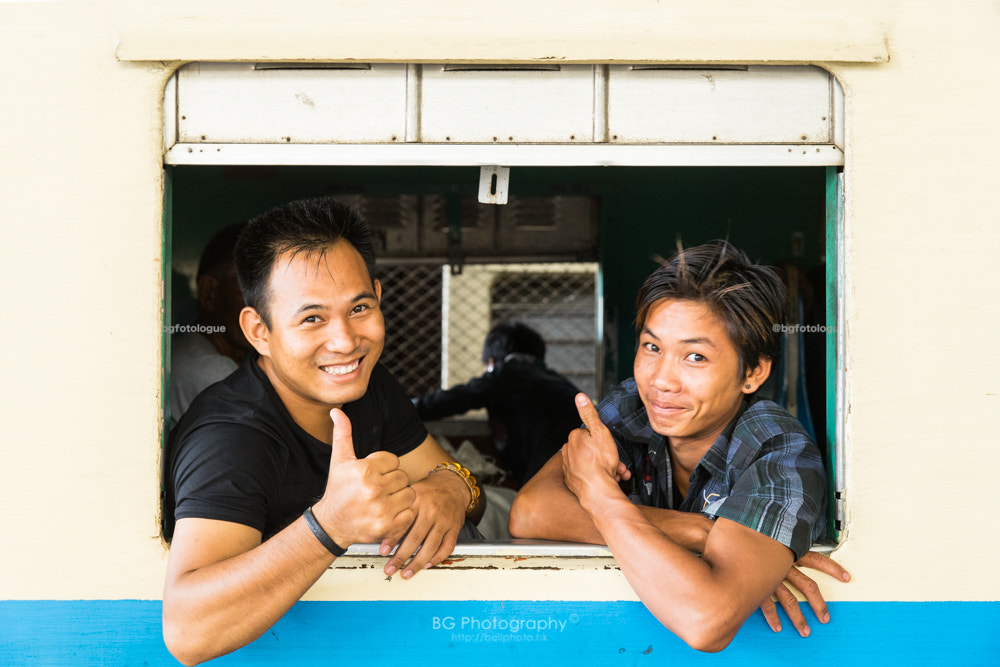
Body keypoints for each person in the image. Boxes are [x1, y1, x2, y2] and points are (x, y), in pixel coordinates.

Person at [162, 197, 485, 666]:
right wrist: (331, 524)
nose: (346, 341)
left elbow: (454, 481)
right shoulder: (230, 437)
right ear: (259, 331)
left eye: (359, 308)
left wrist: (454, 486)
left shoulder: (369, 388)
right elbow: (188, 633)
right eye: (312, 318)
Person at [509, 240, 850, 652]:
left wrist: (596, 495)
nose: (661, 380)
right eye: (652, 347)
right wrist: (701, 533)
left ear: (753, 373)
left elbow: (705, 620)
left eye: (695, 358)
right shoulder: (633, 405)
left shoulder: (781, 451)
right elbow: (530, 512)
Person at [414, 321, 582, 487]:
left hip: (544, 466)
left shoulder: (505, 373)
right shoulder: (558, 381)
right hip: (581, 460)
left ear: (491, 362)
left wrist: (403, 408)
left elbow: (453, 399)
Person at [169, 222, 253, 427]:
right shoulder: (213, 370)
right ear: (209, 292)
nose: (263, 306)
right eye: (248, 289)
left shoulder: (187, 350)